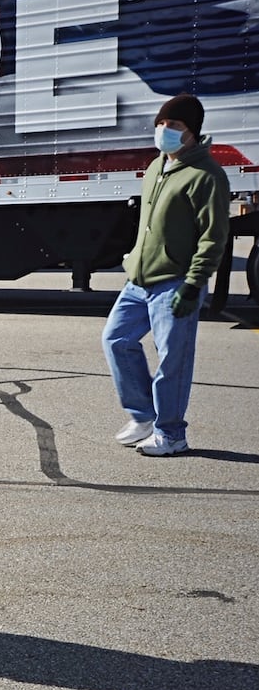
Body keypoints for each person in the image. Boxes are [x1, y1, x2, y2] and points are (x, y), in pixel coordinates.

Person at [101, 93, 230, 457]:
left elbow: (213, 237)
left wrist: (193, 284)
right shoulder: (158, 167)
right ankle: (143, 416)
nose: (163, 131)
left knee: (172, 359)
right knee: (116, 340)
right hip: (139, 281)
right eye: (160, 124)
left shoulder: (207, 176)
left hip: (176, 283)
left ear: (193, 132)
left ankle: (171, 433)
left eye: (173, 126)